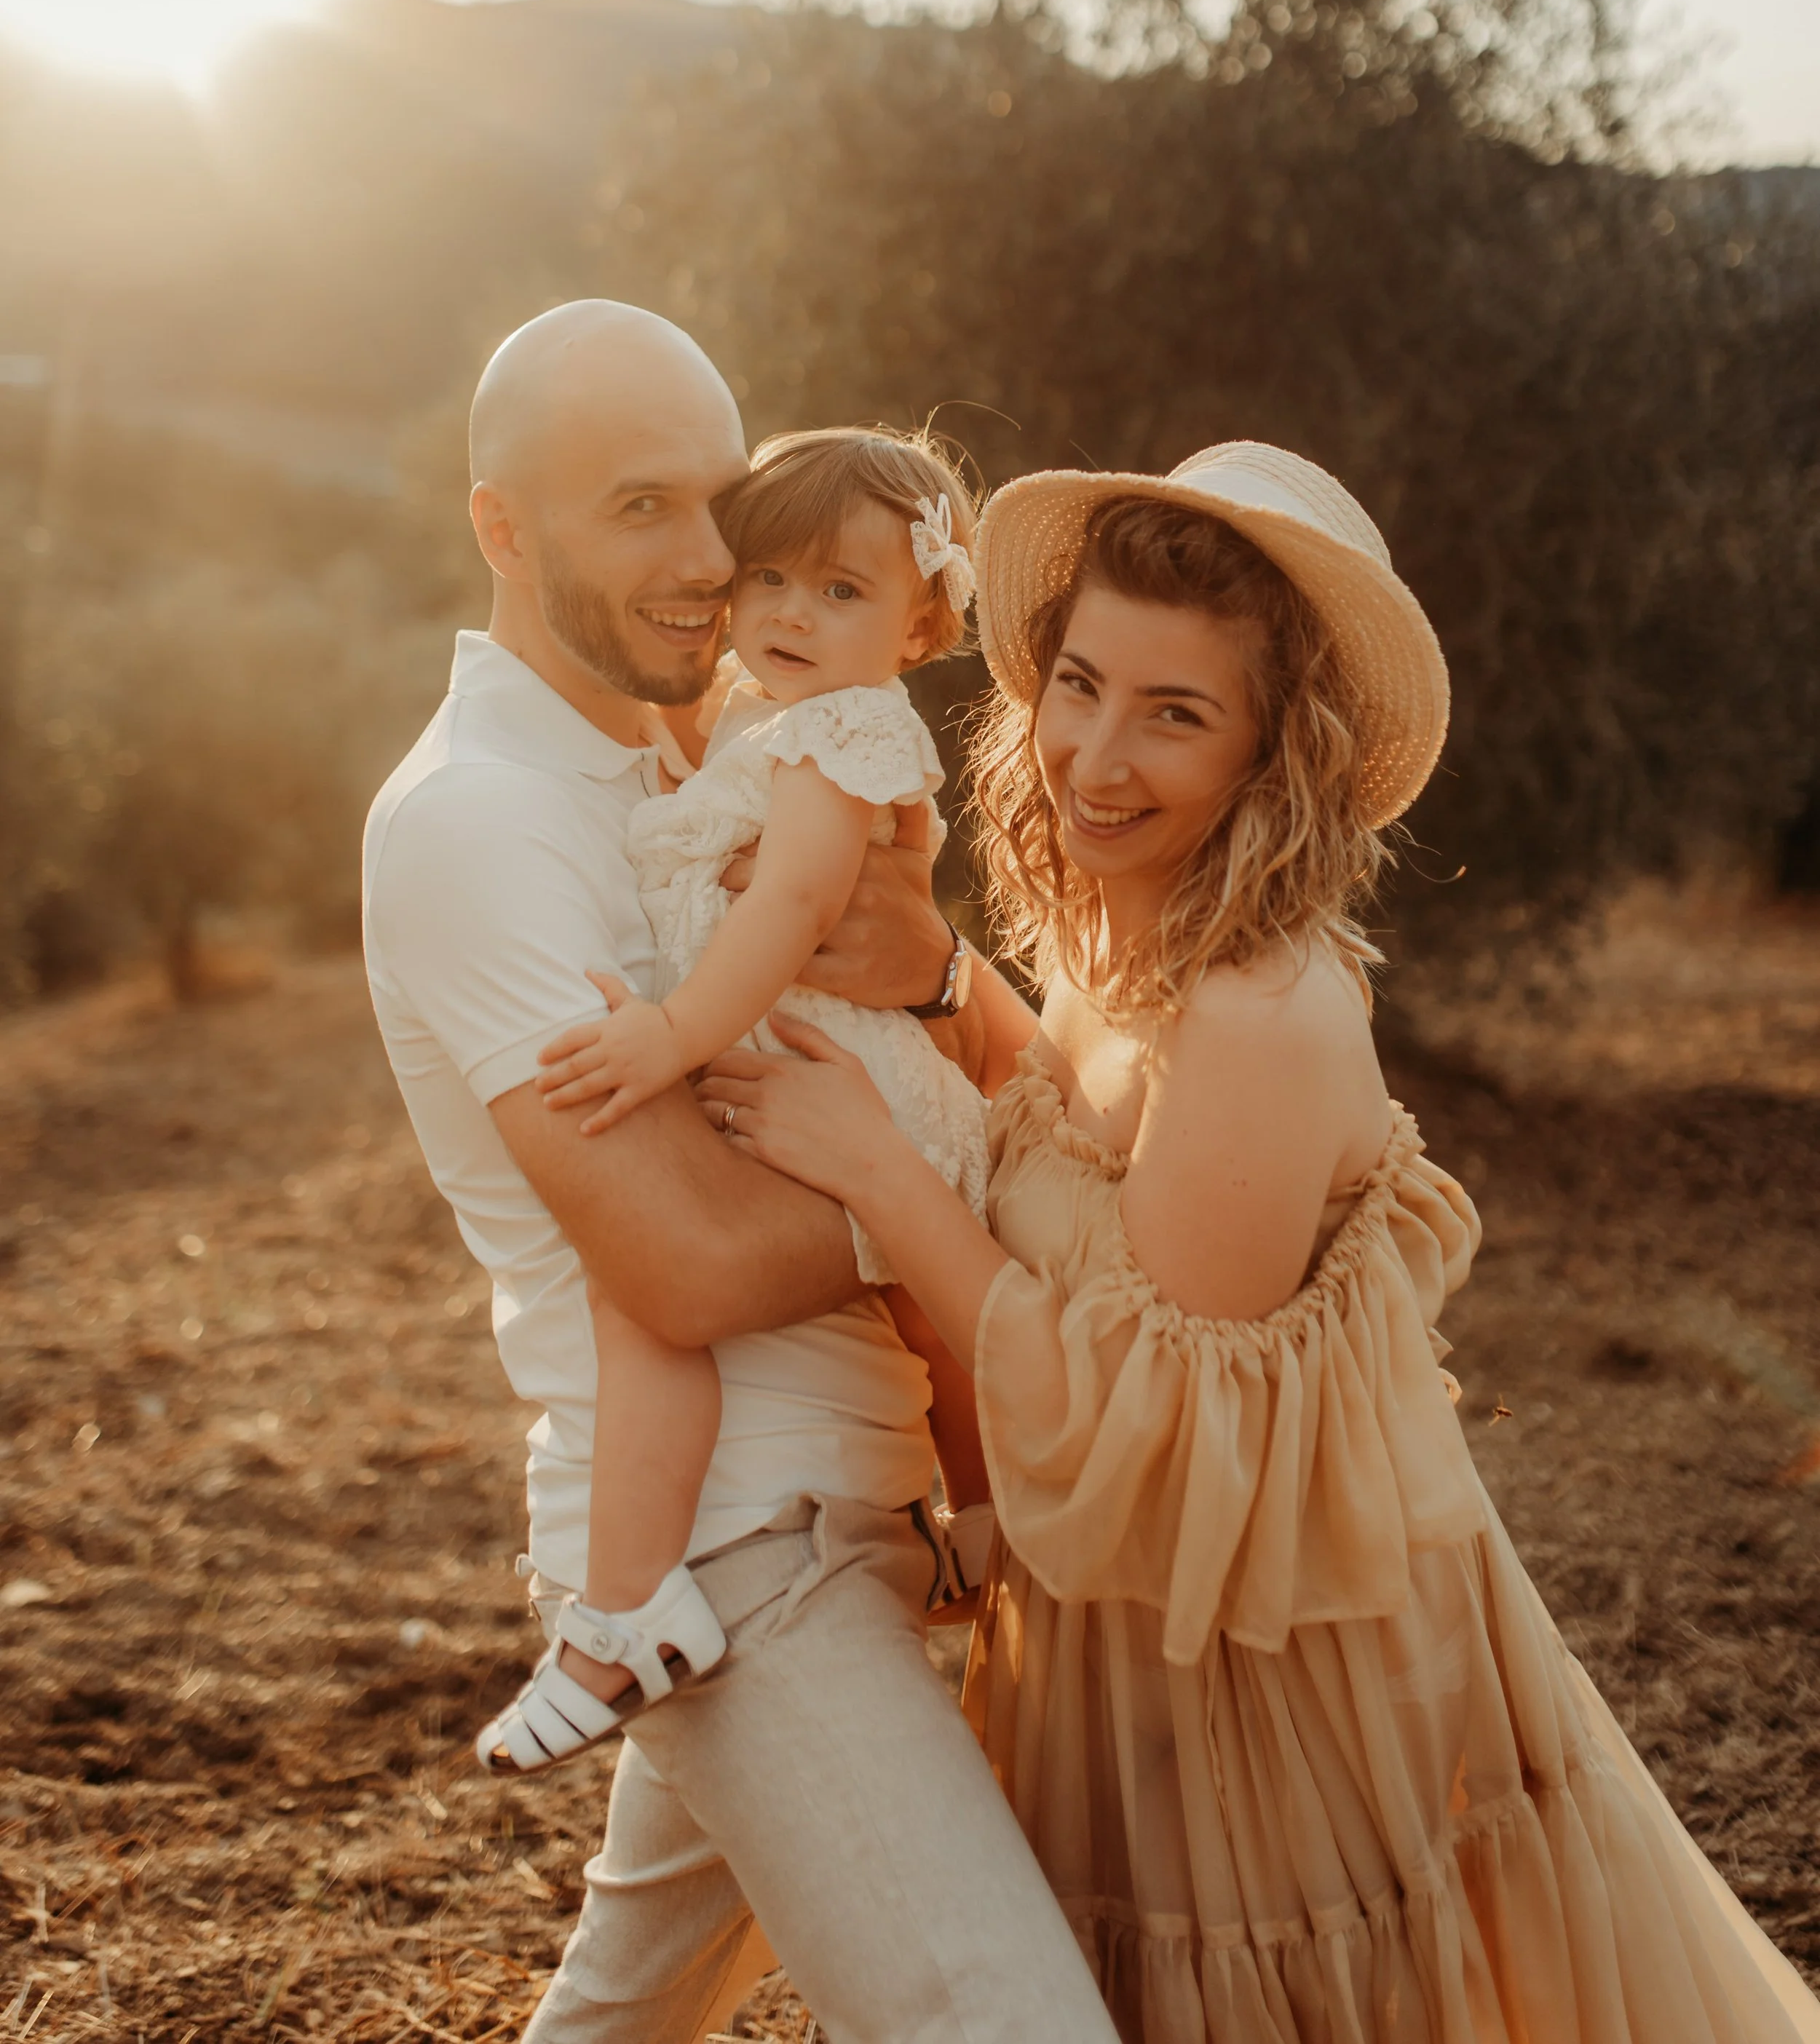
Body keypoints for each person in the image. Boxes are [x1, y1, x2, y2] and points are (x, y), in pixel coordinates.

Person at [703, 441, 1820, 2044]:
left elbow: (1150, 1429)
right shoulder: (1127, 916)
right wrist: (945, 976)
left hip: (1277, 1708)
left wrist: (880, 1174)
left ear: (1271, 750)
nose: (1094, 758)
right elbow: (1085, 1154)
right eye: (1080, 684)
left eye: (1175, 712)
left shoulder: (1260, 1012)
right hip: (1134, 1664)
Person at [362, 301, 1119, 2044]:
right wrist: (933, 1203)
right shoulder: (480, 819)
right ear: (501, 529)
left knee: (621, 2017)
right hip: (737, 1550)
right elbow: (685, 1265)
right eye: (636, 506)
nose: (710, 560)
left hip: (841, 1504)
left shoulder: (743, 734)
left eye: (718, 497)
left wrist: (931, 973)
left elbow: (1009, 1084)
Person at [475, 425, 995, 1778]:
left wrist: (669, 1032)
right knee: (898, 1323)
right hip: (781, 1068)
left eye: (840, 590)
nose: (790, 613)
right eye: (768, 578)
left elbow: (795, 907)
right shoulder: (765, 709)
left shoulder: (849, 732)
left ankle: (626, 1610)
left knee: (666, 1300)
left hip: (833, 1077)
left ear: (920, 623)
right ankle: (969, 1521)